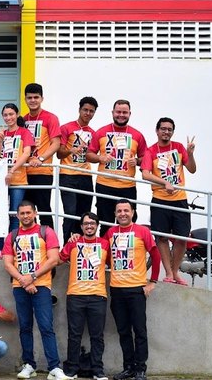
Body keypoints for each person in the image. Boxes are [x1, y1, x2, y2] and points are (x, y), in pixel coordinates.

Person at [2, 200, 71, 380]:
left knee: (46, 326)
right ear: (17, 216)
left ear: (35, 213)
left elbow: (53, 259)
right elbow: (8, 263)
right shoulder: (12, 235)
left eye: (28, 213)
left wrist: (31, 277)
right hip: (20, 286)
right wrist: (24, 281)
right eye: (22, 213)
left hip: (41, 286)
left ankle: (54, 367)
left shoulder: (46, 231)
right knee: (25, 327)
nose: (25, 216)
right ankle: (29, 365)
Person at [106, 199, 160, 380]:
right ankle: (128, 367)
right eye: (119, 211)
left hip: (136, 289)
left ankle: (140, 369)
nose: (123, 213)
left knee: (140, 331)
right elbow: (102, 253)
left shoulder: (142, 231)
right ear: (115, 214)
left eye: (126, 210)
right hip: (116, 289)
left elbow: (155, 254)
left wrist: (152, 281)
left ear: (132, 212)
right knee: (123, 331)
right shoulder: (110, 232)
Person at [141, 118, 197, 285]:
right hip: (160, 200)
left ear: (172, 131)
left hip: (180, 200)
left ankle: (175, 272)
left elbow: (192, 169)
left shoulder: (179, 147)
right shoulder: (151, 151)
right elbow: (145, 173)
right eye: (163, 129)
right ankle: (169, 273)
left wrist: (191, 154)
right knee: (162, 237)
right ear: (157, 130)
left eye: (169, 129)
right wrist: (164, 183)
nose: (166, 132)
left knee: (182, 238)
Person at [58, 211, 110, 380]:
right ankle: (72, 368)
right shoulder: (73, 243)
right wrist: (68, 241)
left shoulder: (104, 244)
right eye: (86, 223)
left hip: (98, 296)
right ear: (81, 227)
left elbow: (113, 263)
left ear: (97, 226)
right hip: (75, 295)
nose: (89, 226)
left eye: (92, 223)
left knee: (97, 335)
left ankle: (97, 370)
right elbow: (59, 259)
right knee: (74, 335)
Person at [87, 99, 147, 237]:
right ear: (112, 113)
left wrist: (137, 160)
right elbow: (89, 155)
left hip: (127, 186)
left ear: (130, 114)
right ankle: (106, 258)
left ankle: (126, 256)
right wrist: (100, 158)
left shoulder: (137, 135)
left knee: (128, 224)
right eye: (118, 112)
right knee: (106, 224)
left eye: (124, 112)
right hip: (104, 185)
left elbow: (145, 159)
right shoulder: (101, 132)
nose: (121, 115)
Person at [0, 103, 35, 255]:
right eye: (5, 115)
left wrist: (12, 170)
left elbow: (26, 153)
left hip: (18, 180)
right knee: (0, 214)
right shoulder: (1, 134)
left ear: (17, 115)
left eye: (11, 114)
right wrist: (0, 142)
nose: (8, 117)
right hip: (1, 182)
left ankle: (14, 247)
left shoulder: (24, 132)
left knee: (16, 215)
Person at [57, 97, 98, 243]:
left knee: (84, 213)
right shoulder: (67, 128)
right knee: (70, 212)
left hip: (86, 175)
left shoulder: (94, 132)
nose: (87, 113)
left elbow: (94, 155)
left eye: (91, 111)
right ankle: (67, 246)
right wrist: (71, 150)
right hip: (68, 174)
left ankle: (81, 244)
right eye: (85, 110)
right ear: (79, 110)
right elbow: (59, 153)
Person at [22, 83, 61, 229]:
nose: (33, 100)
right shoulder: (22, 120)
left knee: (44, 209)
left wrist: (41, 159)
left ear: (42, 98)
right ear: (25, 99)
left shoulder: (50, 118)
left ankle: (49, 244)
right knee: (25, 211)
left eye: (36, 97)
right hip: (24, 173)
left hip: (42, 171)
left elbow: (56, 143)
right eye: (29, 97)